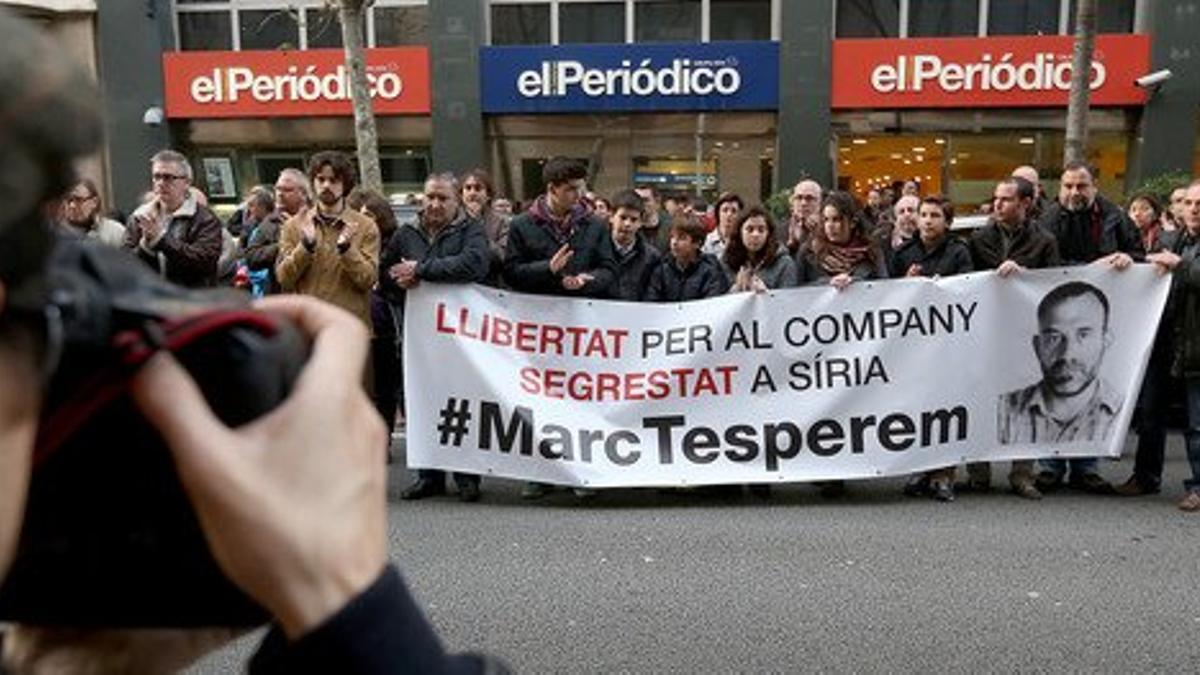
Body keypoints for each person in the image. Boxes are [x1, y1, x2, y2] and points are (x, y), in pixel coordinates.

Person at [0, 9, 497, 672]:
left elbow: (363, 273)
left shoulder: (363, 225)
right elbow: (282, 270)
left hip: (353, 322)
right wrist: (340, 597)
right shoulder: (288, 229)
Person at [503, 156, 615, 500]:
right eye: (571, 190)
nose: (578, 196)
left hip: (582, 331)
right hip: (540, 332)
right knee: (540, 402)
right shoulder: (522, 225)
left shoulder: (594, 225)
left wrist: (587, 280)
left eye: (580, 188)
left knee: (581, 401)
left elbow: (610, 269)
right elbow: (511, 272)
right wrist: (547, 270)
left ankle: (580, 472)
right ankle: (541, 473)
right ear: (551, 189)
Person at [1034, 161, 1143, 493]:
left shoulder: (1116, 217)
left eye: (1081, 186)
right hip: (1058, 318)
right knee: (1055, 387)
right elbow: (1044, 267)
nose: (1073, 192)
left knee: (1092, 388)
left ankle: (1087, 466)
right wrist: (1089, 268)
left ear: (1094, 186)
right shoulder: (1047, 220)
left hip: (1100, 319)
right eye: (1068, 186)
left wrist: (1129, 260)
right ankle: (1050, 466)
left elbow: (1139, 254)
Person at [382, 173, 490, 502]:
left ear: (456, 200)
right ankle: (428, 475)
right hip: (419, 339)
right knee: (422, 401)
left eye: (443, 198)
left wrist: (422, 270)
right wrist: (396, 282)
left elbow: (474, 265)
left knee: (461, 402)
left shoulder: (471, 230)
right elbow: (385, 274)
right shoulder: (406, 234)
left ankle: (466, 476)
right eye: (430, 197)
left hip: (461, 339)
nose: (435, 204)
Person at [966, 176, 1060, 500]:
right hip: (987, 333)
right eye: (996, 198)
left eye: (1006, 199)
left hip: (1024, 334)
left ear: (1025, 203)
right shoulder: (979, 239)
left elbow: (1053, 284)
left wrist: (1025, 275)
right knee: (982, 399)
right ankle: (979, 473)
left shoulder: (1044, 240)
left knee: (1026, 402)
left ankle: (1023, 474)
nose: (997, 205)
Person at [1121, 179, 1200, 508]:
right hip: (1164, 341)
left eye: (1199, 205)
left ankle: (1198, 486)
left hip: (1195, 344)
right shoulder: (1172, 239)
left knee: (1197, 423)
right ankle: (1145, 477)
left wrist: (1179, 266)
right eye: (1189, 204)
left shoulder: (1179, 251)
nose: (1194, 210)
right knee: (1151, 415)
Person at [894, 196, 973, 501]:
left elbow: (968, 288)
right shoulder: (903, 253)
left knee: (945, 407)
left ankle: (944, 473)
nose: (927, 220)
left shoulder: (958, 251)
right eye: (923, 214)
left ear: (947, 222)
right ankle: (920, 467)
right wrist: (906, 283)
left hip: (947, 344)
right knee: (917, 405)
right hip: (914, 345)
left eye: (935, 215)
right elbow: (885, 295)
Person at [998, 282, 1124, 450]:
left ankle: (1086, 471)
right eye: (1054, 338)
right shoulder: (1003, 410)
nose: (1067, 354)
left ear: (1105, 340)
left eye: (1083, 335)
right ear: (1037, 346)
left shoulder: (1121, 409)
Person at [275, 151, 380, 330]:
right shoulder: (294, 225)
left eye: (334, 180)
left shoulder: (365, 225)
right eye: (320, 179)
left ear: (345, 184)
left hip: (350, 327)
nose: (326, 185)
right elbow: (284, 278)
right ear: (312, 183)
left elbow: (368, 280)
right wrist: (305, 246)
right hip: (308, 327)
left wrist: (347, 249)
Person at [123, 150, 223, 288]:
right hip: (151, 302)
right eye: (156, 176)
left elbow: (204, 263)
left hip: (191, 302)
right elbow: (125, 264)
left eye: (168, 177)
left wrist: (162, 240)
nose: (161, 183)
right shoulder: (139, 216)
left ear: (187, 182)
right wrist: (145, 246)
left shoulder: (205, 219)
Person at [796, 191, 886, 290]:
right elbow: (796, 290)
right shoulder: (810, 251)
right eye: (826, 219)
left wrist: (855, 283)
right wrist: (828, 283)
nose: (830, 226)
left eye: (836, 219)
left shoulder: (871, 251)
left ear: (852, 222)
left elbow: (883, 288)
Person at [243, 168, 311, 296]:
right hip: (280, 293)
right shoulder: (271, 222)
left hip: (313, 294)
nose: (280, 194)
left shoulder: (315, 218)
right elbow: (251, 258)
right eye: (278, 189)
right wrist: (283, 243)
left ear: (303, 194)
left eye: (287, 190)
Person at [644, 215, 729, 302]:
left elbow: (712, 303)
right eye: (672, 237)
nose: (674, 242)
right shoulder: (662, 269)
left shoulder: (710, 270)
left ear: (697, 244)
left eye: (682, 238)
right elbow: (652, 301)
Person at [722, 206, 797, 293]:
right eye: (750, 229)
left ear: (768, 234)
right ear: (739, 232)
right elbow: (715, 302)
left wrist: (766, 295)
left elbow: (789, 302)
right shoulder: (726, 261)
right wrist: (736, 289)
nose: (755, 235)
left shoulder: (784, 264)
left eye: (761, 230)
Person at [607, 189, 661, 302]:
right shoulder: (595, 250)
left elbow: (652, 294)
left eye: (633, 220)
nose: (627, 224)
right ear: (611, 217)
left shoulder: (652, 257)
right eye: (623, 217)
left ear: (640, 223)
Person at [460, 168, 509, 286]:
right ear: (461, 194)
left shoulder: (501, 222)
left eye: (478, 188)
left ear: (488, 195)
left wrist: (477, 226)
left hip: (488, 287)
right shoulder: (451, 220)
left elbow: (501, 257)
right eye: (468, 188)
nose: (472, 193)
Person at [57, 178, 126, 247]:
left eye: (78, 200)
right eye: (69, 200)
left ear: (94, 202)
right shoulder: (58, 236)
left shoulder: (114, 232)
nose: (72, 205)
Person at [785, 179, 822, 254]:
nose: (803, 203)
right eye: (799, 198)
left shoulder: (828, 231)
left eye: (809, 198)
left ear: (820, 203)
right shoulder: (778, 231)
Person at [702, 193, 744, 258]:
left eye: (734, 211)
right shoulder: (707, 241)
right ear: (718, 213)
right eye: (725, 210)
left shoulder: (743, 240)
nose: (729, 214)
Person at [634, 184, 672, 251]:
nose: (640, 204)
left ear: (657, 202)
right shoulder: (630, 227)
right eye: (636, 200)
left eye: (645, 200)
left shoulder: (671, 226)